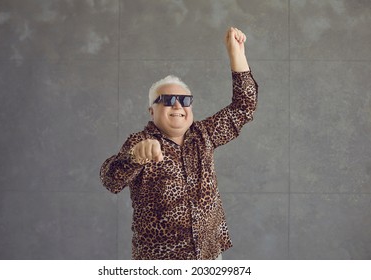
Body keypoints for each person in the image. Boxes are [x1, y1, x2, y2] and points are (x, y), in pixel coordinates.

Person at [100, 27, 258, 260]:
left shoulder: (205, 135)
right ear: (151, 110)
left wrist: (237, 54)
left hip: (208, 256)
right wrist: (134, 157)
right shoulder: (140, 141)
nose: (177, 106)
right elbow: (110, 179)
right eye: (167, 100)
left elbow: (244, 107)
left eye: (184, 100)